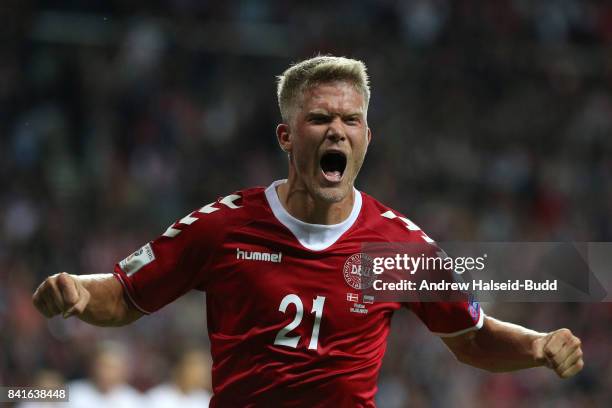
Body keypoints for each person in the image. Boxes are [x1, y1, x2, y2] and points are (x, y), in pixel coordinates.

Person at [33, 56, 584, 407]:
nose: (336, 131)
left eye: (350, 121)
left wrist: (537, 346)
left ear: (368, 137)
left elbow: (472, 338)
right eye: (320, 119)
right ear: (286, 136)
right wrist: (80, 292)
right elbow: (126, 295)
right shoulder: (226, 226)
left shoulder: (394, 248)